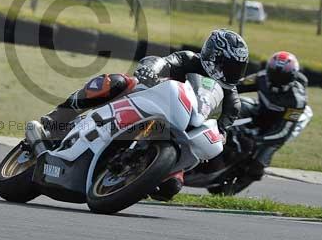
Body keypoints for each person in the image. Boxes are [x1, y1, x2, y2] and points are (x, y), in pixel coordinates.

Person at [25, 29, 249, 201]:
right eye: (228, 66)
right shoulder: (190, 59)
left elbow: (222, 129)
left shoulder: (232, 100)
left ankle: (132, 177)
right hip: (150, 100)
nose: (232, 73)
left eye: (236, 69)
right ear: (213, 55)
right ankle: (58, 118)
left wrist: (219, 138)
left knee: (171, 188)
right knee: (116, 82)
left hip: (181, 135)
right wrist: (151, 69)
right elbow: (164, 62)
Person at [229, 51, 311, 189]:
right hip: (261, 112)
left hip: (280, 126)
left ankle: (231, 191)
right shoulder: (261, 77)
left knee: (257, 165)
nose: (276, 79)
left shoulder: (297, 100)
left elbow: (283, 132)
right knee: (238, 104)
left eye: (282, 76)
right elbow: (235, 87)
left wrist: (258, 139)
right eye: (273, 74)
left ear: (292, 76)